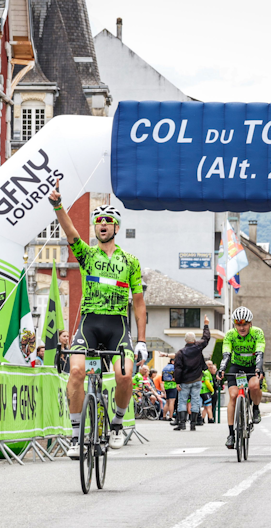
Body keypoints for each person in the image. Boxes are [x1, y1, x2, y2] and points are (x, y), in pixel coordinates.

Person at [49, 181, 146, 456]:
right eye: (98, 221)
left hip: (117, 325)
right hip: (90, 324)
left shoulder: (130, 261)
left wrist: (141, 340)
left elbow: (139, 304)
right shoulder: (87, 255)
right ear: (95, 228)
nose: (102, 224)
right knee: (77, 372)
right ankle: (76, 435)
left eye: (108, 221)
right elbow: (69, 232)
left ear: (116, 228)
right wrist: (58, 205)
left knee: (124, 375)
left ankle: (116, 424)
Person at [217, 306, 265, 449]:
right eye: (238, 324)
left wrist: (258, 368)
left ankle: (255, 408)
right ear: (234, 325)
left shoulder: (257, 333)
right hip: (236, 367)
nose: (241, 327)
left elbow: (260, 353)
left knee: (254, 386)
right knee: (233, 396)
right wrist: (221, 369)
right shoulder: (230, 335)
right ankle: (231, 434)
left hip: (252, 366)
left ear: (250, 323)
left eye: (244, 324)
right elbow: (226, 355)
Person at [172, 317, 211, 431]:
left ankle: (182, 424)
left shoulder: (180, 353)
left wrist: (178, 382)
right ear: (194, 340)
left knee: (182, 401)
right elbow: (206, 338)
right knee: (195, 401)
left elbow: (178, 369)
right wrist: (206, 325)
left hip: (185, 381)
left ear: (185, 340)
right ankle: (193, 424)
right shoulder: (198, 347)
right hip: (197, 379)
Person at [162, 358, 178, 424]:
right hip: (173, 385)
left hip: (166, 385)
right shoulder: (174, 368)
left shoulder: (164, 368)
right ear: (172, 361)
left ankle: (164, 416)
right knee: (172, 402)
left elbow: (162, 378)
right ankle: (170, 417)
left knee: (167, 402)